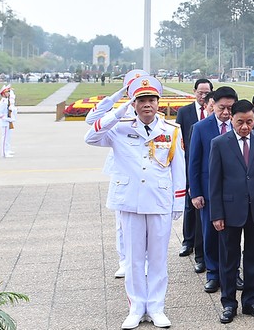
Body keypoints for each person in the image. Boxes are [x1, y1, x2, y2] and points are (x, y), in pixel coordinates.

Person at [86, 76, 186, 329]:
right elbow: (91, 136)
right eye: (141, 100)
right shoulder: (120, 128)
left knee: (158, 258)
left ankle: (156, 307)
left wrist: (178, 203)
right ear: (134, 103)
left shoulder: (171, 131)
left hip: (159, 200)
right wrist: (118, 111)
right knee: (133, 260)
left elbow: (178, 168)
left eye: (151, 99)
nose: (147, 105)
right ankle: (136, 307)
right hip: (129, 201)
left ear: (158, 103)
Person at [209, 100, 254, 324]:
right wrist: (216, 214)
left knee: (253, 259)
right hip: (229, 210)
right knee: (229, 259)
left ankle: (250, 301)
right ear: (231, 119)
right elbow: (214, 182)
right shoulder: (219, 143)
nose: (245, 127)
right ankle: (229, 303)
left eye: (250, 121)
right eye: (240, 122)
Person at [87, 71, 146, 280]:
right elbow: (91, 121)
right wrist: (120, 96)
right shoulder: (120, 111)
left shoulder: (149, 109)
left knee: (147, 220)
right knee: (122, 222)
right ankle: (124, 261)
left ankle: (144, 260)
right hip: (123, 172)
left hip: (145, 172)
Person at [189, 87, 241, 294]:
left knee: (233, 236)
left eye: (230, 108)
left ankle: (233, 273)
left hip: (235, 193)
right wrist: (196, 192)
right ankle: (213, 273)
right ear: (213, 104)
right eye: (222, 108)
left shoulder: (240, 126)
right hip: (209, 193)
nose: (227, 113)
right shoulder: (201, 128)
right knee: (210, 234)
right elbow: (193, 162)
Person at [176, 79, 212, 265]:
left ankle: (202, 248)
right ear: (195, 92)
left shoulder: (215, 112)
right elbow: (178, 139)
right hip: (189, 163)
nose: (203, 95)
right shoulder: (185, 112)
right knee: (190, 205)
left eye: (207, 92)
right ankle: (187, 241)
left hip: (208, 166)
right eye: (200, 92)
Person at [0, 85, 16, 157]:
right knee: (5, 138)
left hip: (8, 122)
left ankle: (7, 149)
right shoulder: (3, 102)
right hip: (5, 122)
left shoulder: (7, 101)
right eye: (7, 92)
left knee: (8, 137)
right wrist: (7, 119)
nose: (8, 93)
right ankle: (4, 152)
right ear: (3, 94)